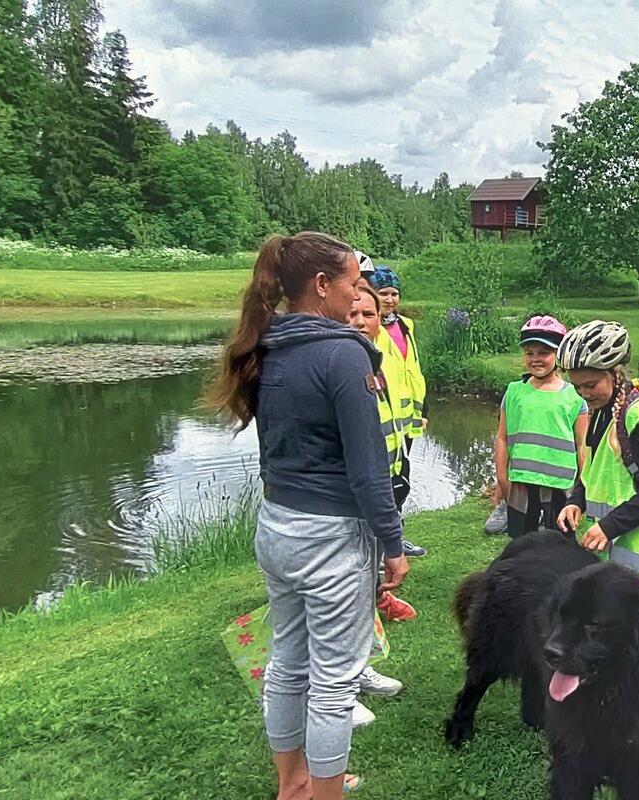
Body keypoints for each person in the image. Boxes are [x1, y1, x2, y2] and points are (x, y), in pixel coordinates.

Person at [206, 232, 410, 800]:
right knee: (334, 682)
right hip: (330, 538)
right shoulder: (343, 353)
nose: (358, 295)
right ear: (321, 286)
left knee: (288, 663)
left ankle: (292, 784)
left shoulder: (269, 344)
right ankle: (324, 795)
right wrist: (393, 545)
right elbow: (369, 471)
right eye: (351, 283)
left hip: (276, 527)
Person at [555, 319, 639, 782]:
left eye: (590, 384)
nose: (584, 392)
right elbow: (588, 469)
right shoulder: (604, 410)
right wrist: (574, 502)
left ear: (615, 371)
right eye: (577, 386)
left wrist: (609, 526)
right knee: (612, 655)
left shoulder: (638, 415)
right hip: (613, 556)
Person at [350, 287, 418, 624]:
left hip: (387, 466)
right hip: (353, 480)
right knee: (354, 549)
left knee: (373, 542)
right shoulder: (342, 362)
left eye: (368, 315)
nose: (360, 321)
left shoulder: (380, 354)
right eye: (352, 314)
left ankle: (377, 597)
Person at [492, 315, 590, 537]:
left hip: (560, 487)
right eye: (530, 353)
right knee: (522, 546)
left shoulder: (575, 396)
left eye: (544, 353)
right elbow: (502, 438)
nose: (536, 359)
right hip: (520, 486)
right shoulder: (514, 391)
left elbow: (582, 445)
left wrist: (582, 491)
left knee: (558, 546)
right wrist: (501, 478)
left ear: (558, 355)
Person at [369, 264, 428, 558]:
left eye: (394, 293)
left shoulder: (406, 325)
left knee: (401, 478)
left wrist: (422, 409)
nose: (390, 299)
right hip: (383, 419)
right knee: (381, 482)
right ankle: (380, 546)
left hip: (407, 420)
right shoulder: (368, 329)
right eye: (383, 293)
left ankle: (395, 539)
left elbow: (412, 370)